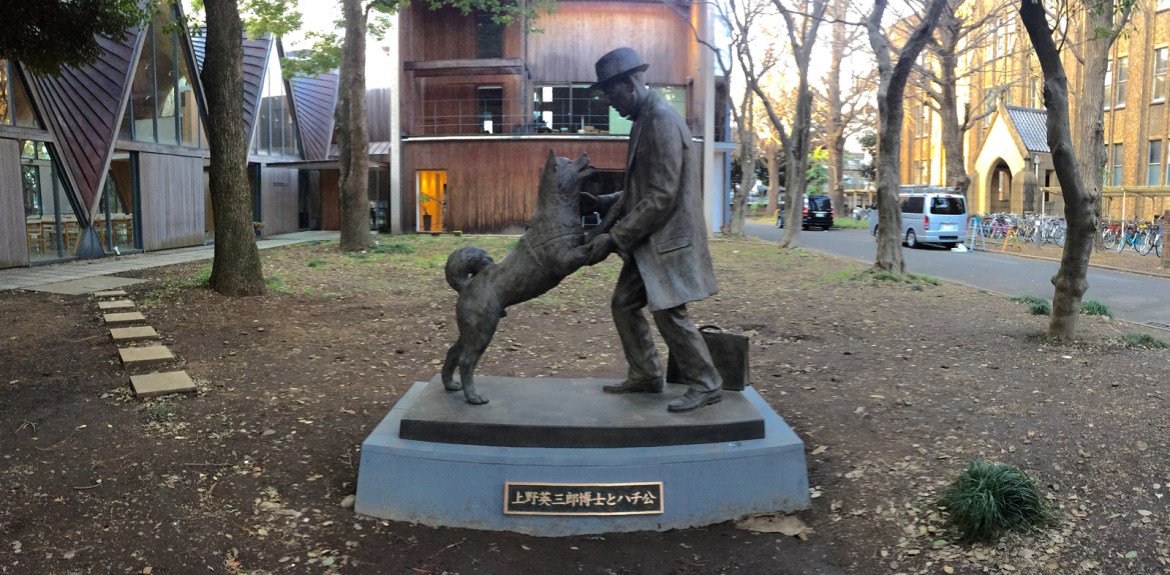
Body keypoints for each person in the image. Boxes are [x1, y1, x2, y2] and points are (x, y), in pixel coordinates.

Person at [578, 47, 722, 413]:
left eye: (611, 94)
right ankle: (645, 374)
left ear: (628, 83)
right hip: (649, 242)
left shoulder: (660, 120)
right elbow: (639, 186)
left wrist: (614, 237)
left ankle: (707, 383)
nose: (610, 104)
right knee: (624, 305)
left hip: (666, 240)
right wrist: (603, 203)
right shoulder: (645, 120)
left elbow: (661, 196)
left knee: (669, 312)